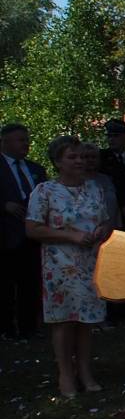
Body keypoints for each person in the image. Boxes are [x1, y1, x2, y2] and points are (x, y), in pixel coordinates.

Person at [25, 136, 111, 396]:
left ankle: (85, 371)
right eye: (72, 157)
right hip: (60, 266)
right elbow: (33, 228)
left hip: (91, 263)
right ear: (58, 162)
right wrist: (70, 236)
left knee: (86, 321)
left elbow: (105, 220)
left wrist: (101, 230)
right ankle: (65, 374)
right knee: (64, 320)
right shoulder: (45, 191)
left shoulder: (95, 188)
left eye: (82, 156)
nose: (79, 161)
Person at [1, 123, 48, 340]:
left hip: (33, 235)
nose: (26, 144)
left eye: (27, 139)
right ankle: (6, 329)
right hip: (6, 236)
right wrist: (4, 205)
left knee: (30, 283)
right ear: (5, 142)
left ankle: (29, 327)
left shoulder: (36, 169)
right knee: (5, 285)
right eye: (21, 140)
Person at [81, 143, 120, 230]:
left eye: (94, 157)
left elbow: (115, 204)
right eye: (86, 157)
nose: (90, 160)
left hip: (111, 227)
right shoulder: (75, 181)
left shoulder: (106, 179)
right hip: (88, 230)